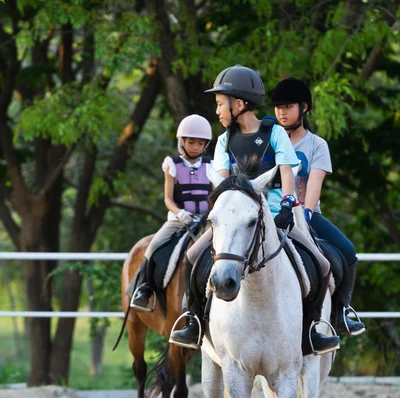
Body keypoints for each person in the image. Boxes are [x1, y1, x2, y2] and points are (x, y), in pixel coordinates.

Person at [170, 65, 340, 355]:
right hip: (237, 220)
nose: (217, 111)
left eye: (220, 104)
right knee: (190, 256)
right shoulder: (224, 140)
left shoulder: (273, 132)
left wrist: (288, 203)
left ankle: (312, 329)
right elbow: (222, 183)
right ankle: (194, 320)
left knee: (323, 265)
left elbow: (287, 171)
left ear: (238, 104)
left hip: (277, 217)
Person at [269, 77, 365, 337]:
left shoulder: (317, 145)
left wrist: (306, 215)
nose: (281, 112)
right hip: (268, 215)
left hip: (304, 214)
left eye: (288, 106)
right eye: (278, 107)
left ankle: (341, 312)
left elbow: (314, 186)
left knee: (348, 252)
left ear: (304, 108)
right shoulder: (268, 140)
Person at [131, 114, 213, 312]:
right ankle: (144, 287)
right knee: (154, 246)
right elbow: (168, 199)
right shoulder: (172, 165)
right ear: (182, 142)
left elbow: (213, 194)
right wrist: (180, 213)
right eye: (191, 142)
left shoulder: (211, 165)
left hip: (205, 221)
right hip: (179, 220)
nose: (195, 147)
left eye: (200, 143)